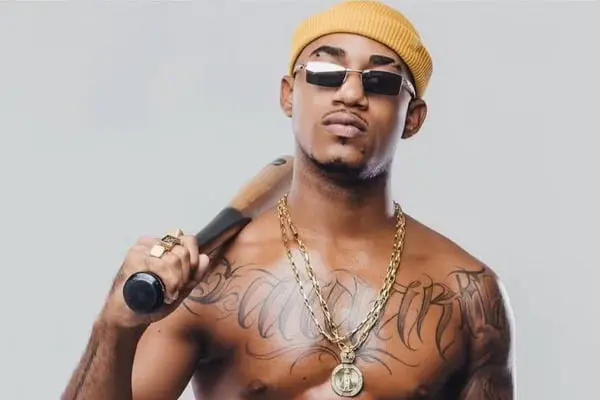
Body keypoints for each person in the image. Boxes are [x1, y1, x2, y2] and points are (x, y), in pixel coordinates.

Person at [62, 1, 515, 399]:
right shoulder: (210, 279)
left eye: (379, 81)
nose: (351, 94)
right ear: (288, 95)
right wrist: (114, 327)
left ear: (413, 117)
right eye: (325, 74)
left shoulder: (469, 294)